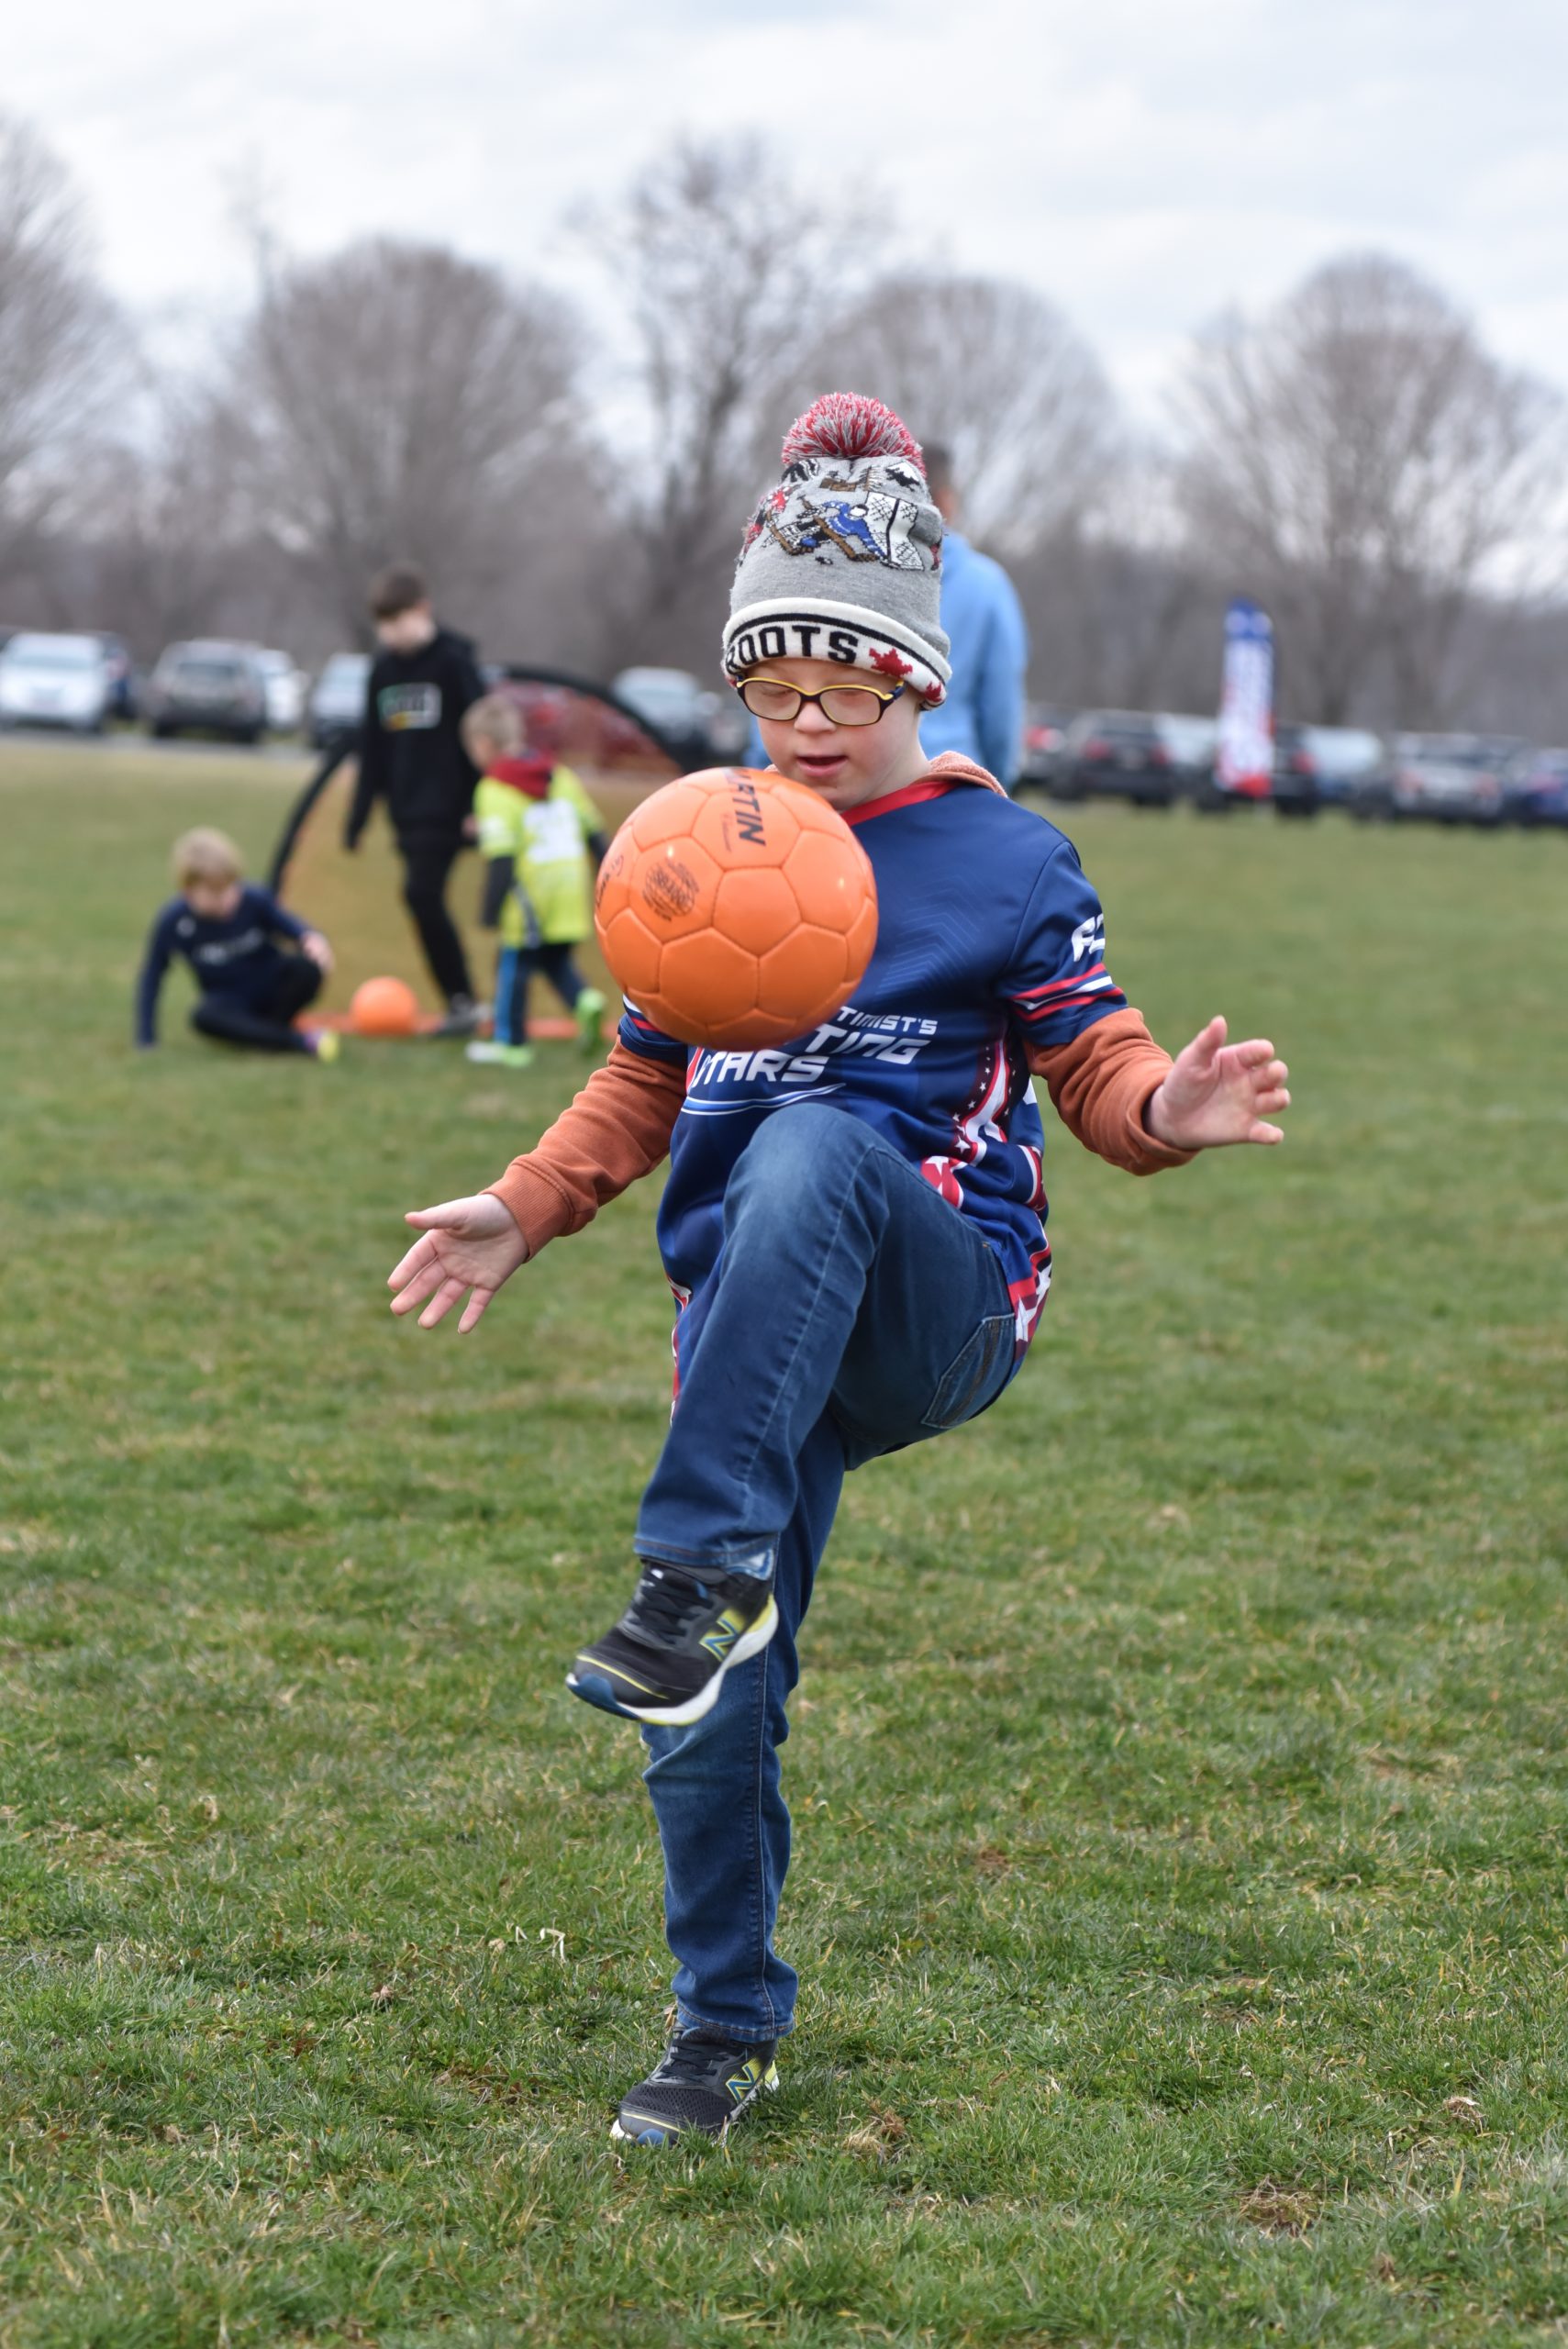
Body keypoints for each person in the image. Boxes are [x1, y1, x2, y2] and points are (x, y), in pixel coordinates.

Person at [384, 395, 1290, 2147]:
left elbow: (1093, 1066)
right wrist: (527, 1199)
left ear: (910, 685)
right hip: (749, 1328)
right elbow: (647, 1070)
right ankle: (719, 2027)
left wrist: (1163, 1103)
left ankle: (688, 1564)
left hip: (937, 1296)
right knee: (707, 1700)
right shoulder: (705, 840)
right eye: (770, 692)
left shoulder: (1003, 857)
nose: (801, 728)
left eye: (841, 693)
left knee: (814, 1142)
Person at [343, 562, 486, 1037]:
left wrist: (478, 804)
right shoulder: (382, 671)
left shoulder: (454, 661)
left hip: (450, 807)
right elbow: (373, 748)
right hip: (405, 809)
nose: (391, 632)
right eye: (383, 624)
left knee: (421, 893)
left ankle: (466, 1001)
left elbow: (482, 735)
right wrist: (359, 817)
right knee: (421, 898)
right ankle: (463, 1002)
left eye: (398, 620)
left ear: (422, 611)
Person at [457, 693, 609, 1068]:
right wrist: (610, 874)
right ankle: (584, 1002)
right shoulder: (559, 775)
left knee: (514, 964)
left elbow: (503, 857)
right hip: (571, 886)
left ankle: (511, 1043)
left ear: (483, 745)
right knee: (554, 959)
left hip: (532, 892)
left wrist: (490, 909)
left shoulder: (494, 789)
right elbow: (594, 832)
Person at [135, 827, 339, 1060]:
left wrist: (312, 938)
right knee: (204, 1017)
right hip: (230, 1001)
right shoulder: (174, 921)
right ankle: (295, 1040)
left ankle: (266, 1034)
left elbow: (295, 928)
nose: (228, 899)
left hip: (270, 990)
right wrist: (146, 1037)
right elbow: (152, 976)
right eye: (215, 893)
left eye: (231, 887)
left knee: (306, 969)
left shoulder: (253, 900)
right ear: (189, 890)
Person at [915, 441, 1029, 791]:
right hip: (954, 783)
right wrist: (996, 784)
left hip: (856, 792)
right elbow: (1000, 707)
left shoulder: (850, 572)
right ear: (947, 500)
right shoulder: (987, 584)